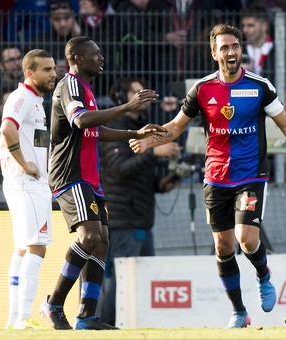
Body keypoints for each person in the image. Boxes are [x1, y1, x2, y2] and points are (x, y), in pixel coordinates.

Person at [130, 23, 286, 328]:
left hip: (250, 175)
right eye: (224, 47)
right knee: (223, 246)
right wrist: (150, 141)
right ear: (214, 53)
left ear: (241, 50)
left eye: (235, 46)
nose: (231, 52)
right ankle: (239, 312)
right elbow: (175, 126)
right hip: (215, 178)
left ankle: (264, 275)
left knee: (246, 238)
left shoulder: (260, 86)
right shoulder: (201, 89)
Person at [39, 35, 165, 331]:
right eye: (95, 53)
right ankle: (54, 304)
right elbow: (82, 121)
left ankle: (87, 316)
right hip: (71, 175)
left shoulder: (86, 89)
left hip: (89, 179)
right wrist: (126, 107)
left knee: (102, 242)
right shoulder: (69, 85)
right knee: (90, 237)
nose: (101, 57)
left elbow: (95, 131)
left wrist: (134, 134)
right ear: (78, 59)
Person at [96, 76, 180, 326]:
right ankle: (108, 326)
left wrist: (159, 185)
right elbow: (121, 169)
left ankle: (134, 326)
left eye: (144, 93)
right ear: (123, 98)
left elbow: (134, 175)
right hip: (123, 222)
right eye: (136, 93)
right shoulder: (116, 129)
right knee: (121, 282)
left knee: (142, 281)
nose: (142, 98)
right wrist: (153, 151)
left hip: (140, 219)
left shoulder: (142, 127)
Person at [0, 49, 57, 330]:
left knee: (23, 248)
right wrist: (24, 165)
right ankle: (23, 317)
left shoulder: (36, 101)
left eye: (54, 68)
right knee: (37, 246)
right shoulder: (21, 97)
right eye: (46, 70)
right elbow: (7, 130)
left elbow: (35, 142)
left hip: (33, 183)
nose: (53, 74)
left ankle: (14, 318)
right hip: (26, 184)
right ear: (30, 73)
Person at [29, 0, 81, 81]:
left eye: (66, 17)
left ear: (73, 16)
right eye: (57, 19)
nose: (62, 24)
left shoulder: (85, 38)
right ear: (50, 20)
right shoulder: (39, 43)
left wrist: (80, 36)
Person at [241, 6, 274, 81]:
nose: (245, 30)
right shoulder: (238, 50)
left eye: (250, 25)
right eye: (243, 26)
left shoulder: (279, 51)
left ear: (264, 26)